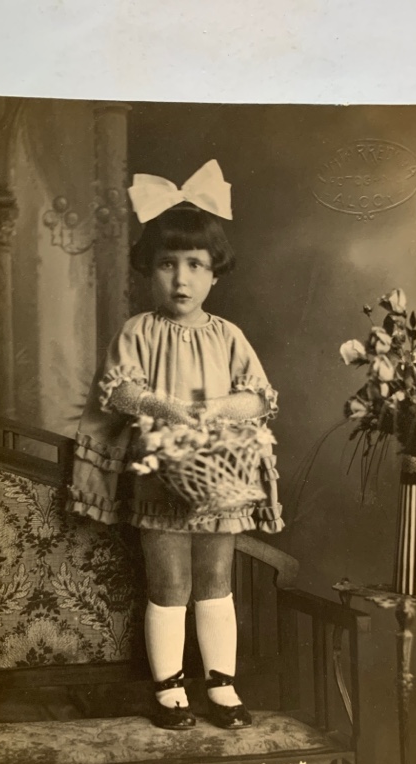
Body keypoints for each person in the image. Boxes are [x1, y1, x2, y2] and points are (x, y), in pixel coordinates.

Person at [68, 160, 284, 730]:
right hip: (162, 474)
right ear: (149, 271)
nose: (181, 280)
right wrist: (168, 407)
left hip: (218, 478)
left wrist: (212, 410)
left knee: (217, 582)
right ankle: (168, 688)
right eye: (168, 265)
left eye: (195, 265)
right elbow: (119, 390)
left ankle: (223, 686)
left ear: (216, 274)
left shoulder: (228, 336)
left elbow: (259, 397)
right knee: (170, 584)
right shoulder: (138, 332)